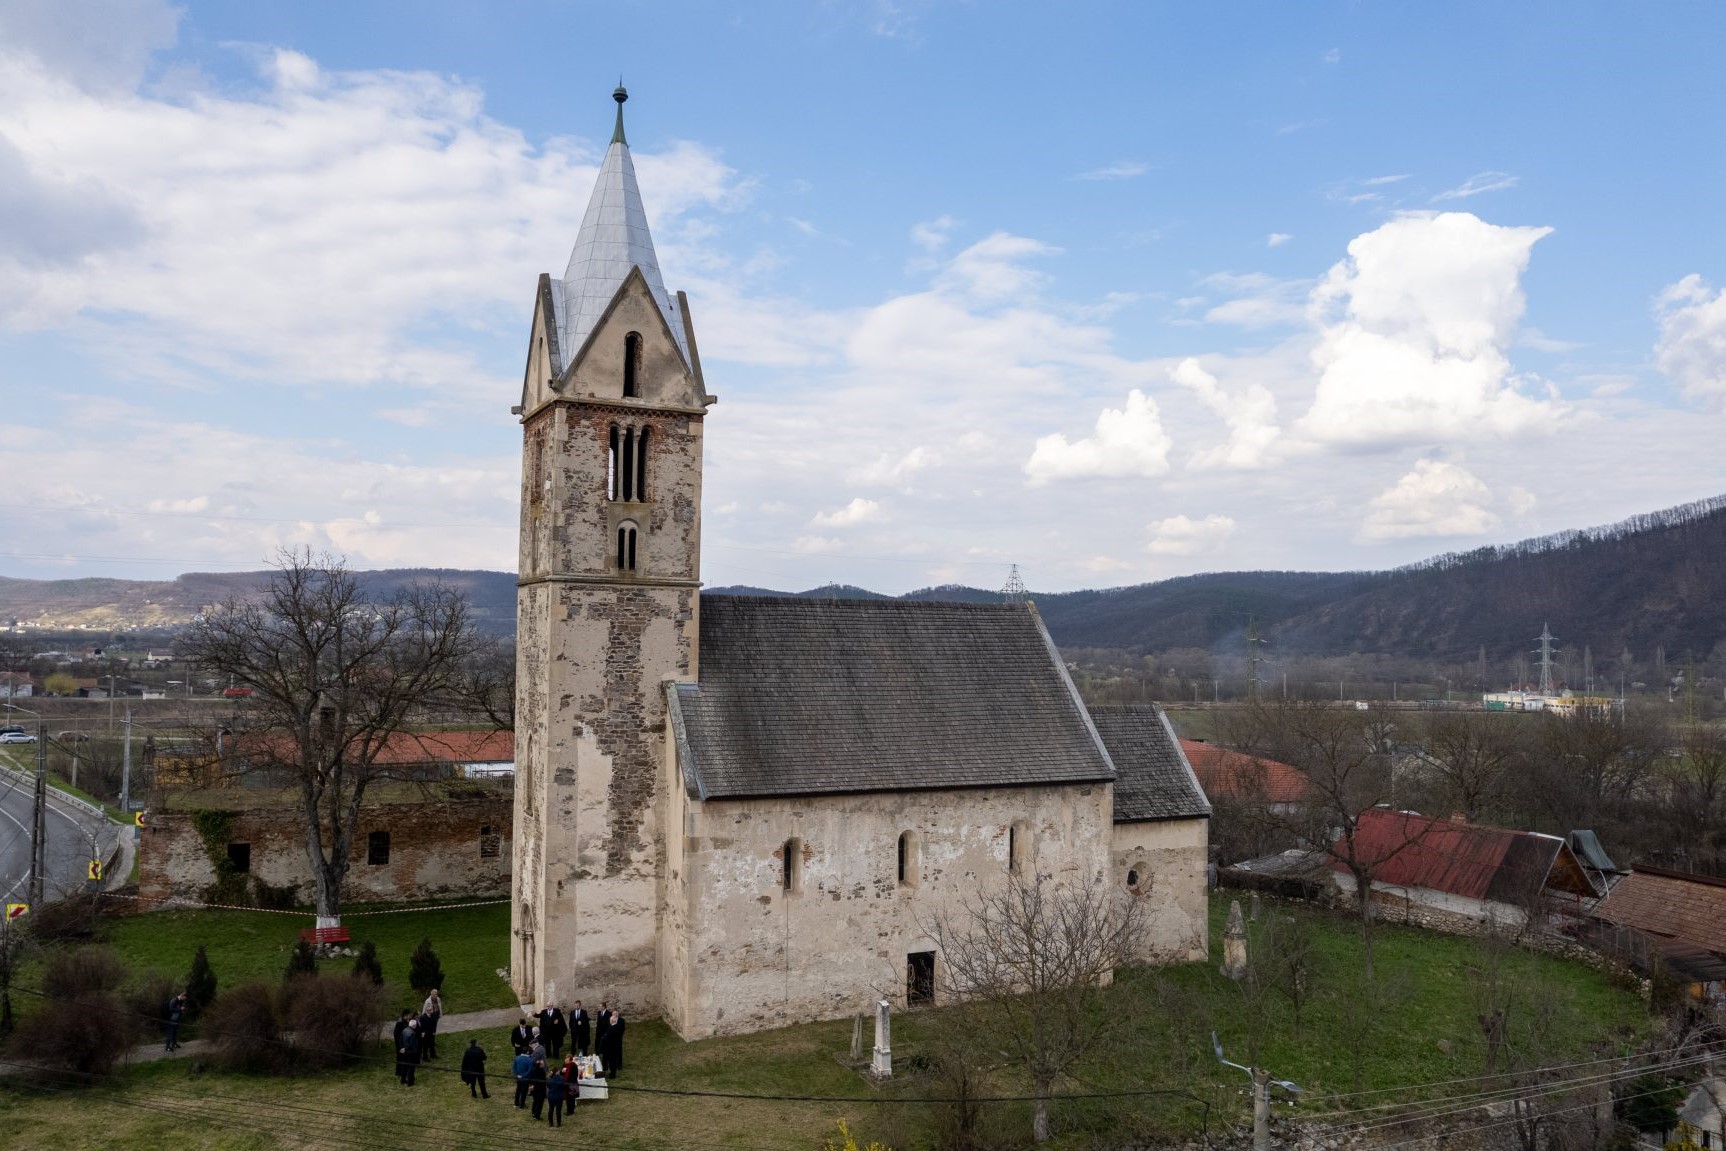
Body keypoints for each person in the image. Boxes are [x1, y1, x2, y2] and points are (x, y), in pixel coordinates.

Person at [599, 1011, 626, 1079]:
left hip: (612, 1047)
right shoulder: (611, 1026)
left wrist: (606, 1036)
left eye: (611, 1020)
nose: (610, 1021)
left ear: (612, 1021)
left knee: (612, 1061)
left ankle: (612, 1074)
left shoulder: (615, 1027)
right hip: (608, 1046)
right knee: (607, 1060)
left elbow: (614, 1035)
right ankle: (607, 1071)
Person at [398, 1018, 422, 1087]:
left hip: (405, 1052)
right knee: (411, 1068)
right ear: (414, 1026)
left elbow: (400, 1040)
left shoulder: (404, 1030)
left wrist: (402, 1048)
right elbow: (411, 1044)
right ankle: (410, 1082)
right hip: (411, 1052)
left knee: (404, 1066)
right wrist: (406, 1048)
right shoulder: (413, 1033)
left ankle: (403, 1080)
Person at [421, 988, 443, 1060]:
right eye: (433, 994)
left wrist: (433, 1031)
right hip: (427, 1030)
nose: (435, 995)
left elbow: (433, 1024)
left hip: (432, 1024)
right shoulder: (427, 1002)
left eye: (436, 994)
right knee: (427, 1043)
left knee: (431, 1040)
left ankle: (432, 1054)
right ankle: (425, 1056)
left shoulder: (432, 1017)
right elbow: (423, 1023)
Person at [528, 1056, 549, 1121]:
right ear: (539, 1065)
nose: (543, 1065)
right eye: (542, 1064)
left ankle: (533, 1112)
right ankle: (537, 1116)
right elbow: (544, 1081)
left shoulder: (533, 1070)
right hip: (540, 1089)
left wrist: (531, 1085)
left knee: (535, 1101)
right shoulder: (542, 1072)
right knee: (539, 1103)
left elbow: (530, 1079)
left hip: (534, 1088)